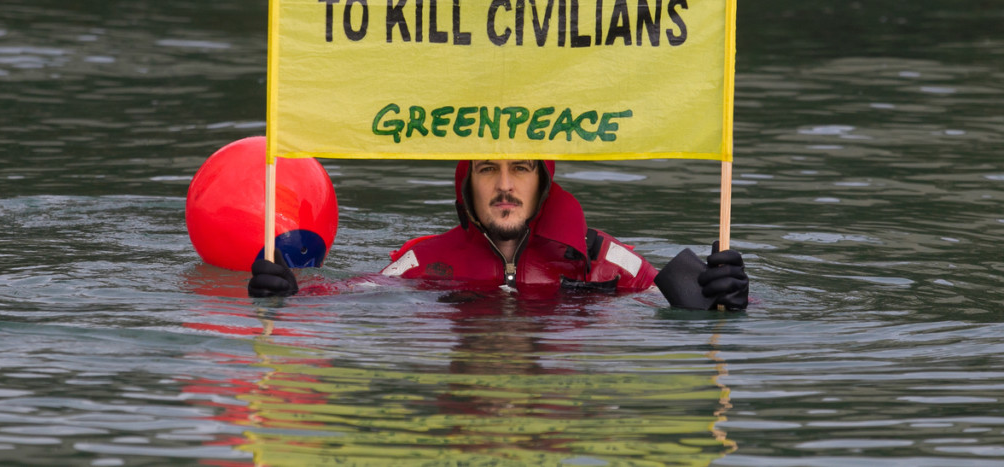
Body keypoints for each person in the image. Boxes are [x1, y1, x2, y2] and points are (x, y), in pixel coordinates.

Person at [249, 159, 749, 310]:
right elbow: (342, 294)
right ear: (466, 183)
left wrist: (731, 299)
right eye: (488, 168)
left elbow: (683, 303)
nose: (505, 186)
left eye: (522, 168)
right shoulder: (420, 260)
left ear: (543, 183)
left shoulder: (604, 260)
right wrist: (286, 294)